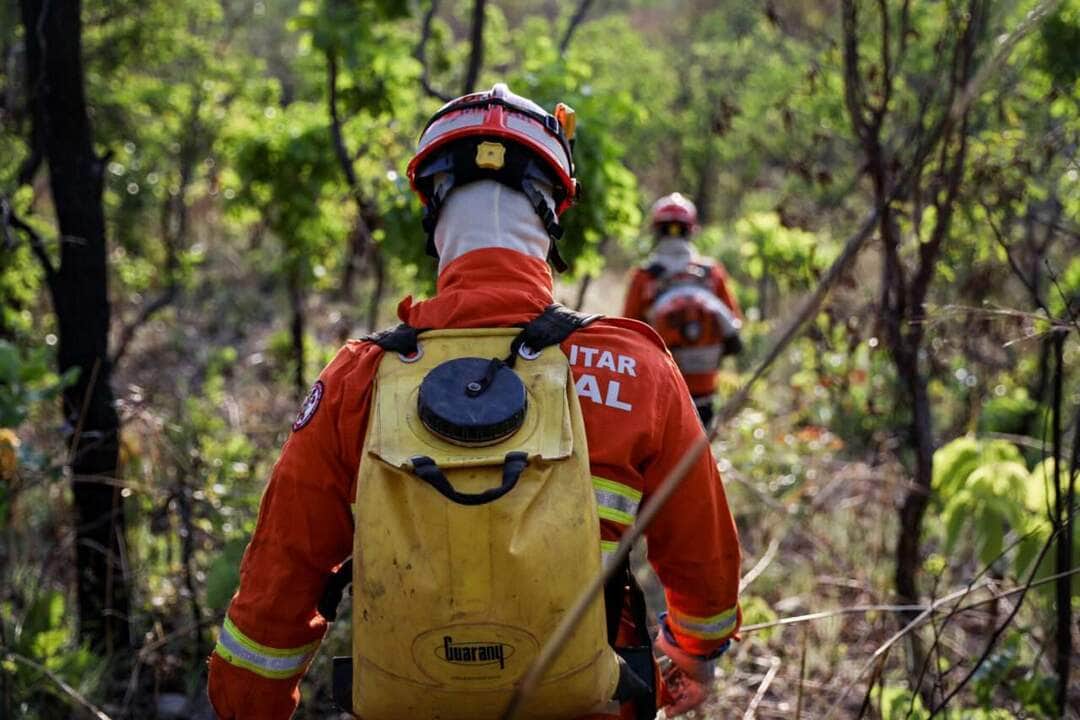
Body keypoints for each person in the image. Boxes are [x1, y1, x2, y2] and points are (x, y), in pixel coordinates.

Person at [207, 84, 740, 720]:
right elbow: (705, 566)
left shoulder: (358, 379)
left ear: (432, 209)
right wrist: (692, 656)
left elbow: (278, 581)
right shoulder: (635, 367)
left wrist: (247, 703)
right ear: (553, 210)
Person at [623, 193, 743, 427]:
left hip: (661, 386)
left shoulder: (644, 276)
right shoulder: (712, 273)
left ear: (656, 230)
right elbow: (734, 328)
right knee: (701, 443)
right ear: (691, 229)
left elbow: (629, 333)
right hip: (705, 387)